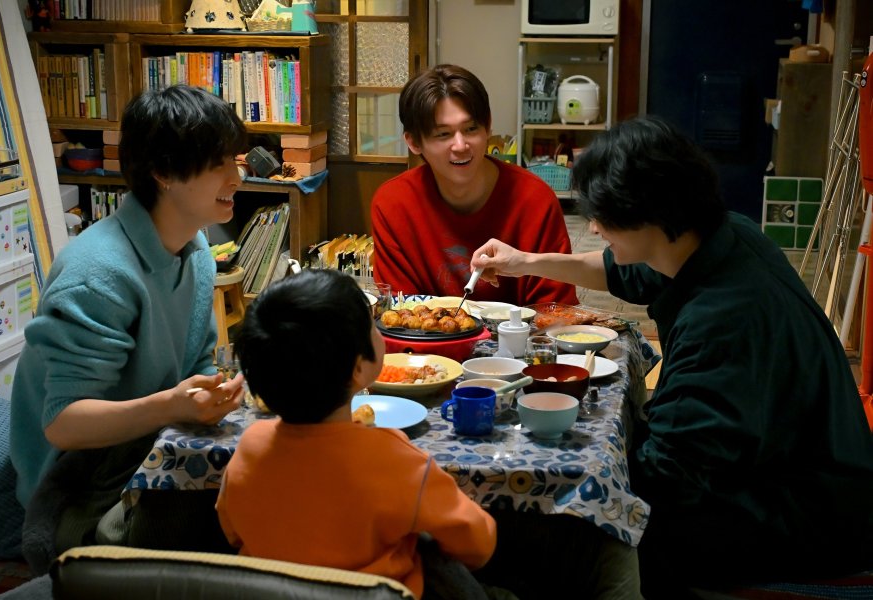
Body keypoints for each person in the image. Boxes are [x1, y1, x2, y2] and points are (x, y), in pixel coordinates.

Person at [470, 116, 873, 597]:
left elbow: (670, 477)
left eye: (603, 218)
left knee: (574, 536)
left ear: (651, 215)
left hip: (803, 513)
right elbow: (619, 270)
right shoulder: (720, 237)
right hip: (810, 471)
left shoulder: (723, 318)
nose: (594, 227)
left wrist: (568, 473)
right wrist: (523, 262)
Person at [10, 85, 247, 565]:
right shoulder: (98, 275)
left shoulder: (196, 251)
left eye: (235, 161)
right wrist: (170, 405)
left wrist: (214, 392)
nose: (236, 178)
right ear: (163, 173)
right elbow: (62, 425)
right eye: (218, 164)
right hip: (76, 475)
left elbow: (196, 367)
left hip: (145, 443)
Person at [217, 269, 497, 599]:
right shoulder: (394, 457)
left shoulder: (249, 447)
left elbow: (232, 530)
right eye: (371, 326)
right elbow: (478, 543)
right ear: (358, 367)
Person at [371, 64, 578, 306]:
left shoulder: (535, 199)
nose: (461, 146)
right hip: (426, 330)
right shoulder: (393, 204)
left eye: (470, 129)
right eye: (443, 134)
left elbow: (556, 310)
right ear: (414, 142)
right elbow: (399, 310)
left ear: (488, 126)